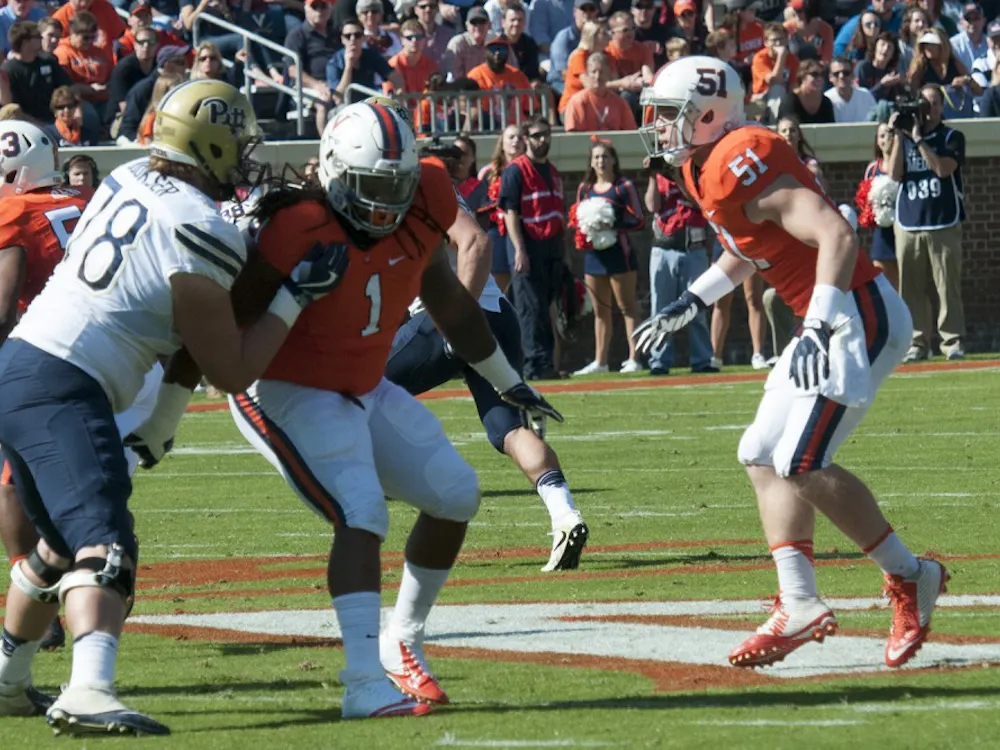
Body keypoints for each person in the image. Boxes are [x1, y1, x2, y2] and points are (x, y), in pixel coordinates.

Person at [196, 99, 561, 716]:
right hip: (285, 387)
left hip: (362, 382)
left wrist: (506, 381)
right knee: (362, 510)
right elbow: (229, 329)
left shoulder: (427, 192)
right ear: (335, 171)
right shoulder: (294, 227)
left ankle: (402, 640)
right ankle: (363, 683)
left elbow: (448, 302)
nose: (386, 203)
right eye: (371, 186)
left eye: (397, 184)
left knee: (455, 494)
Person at [0, 79, 339, 735]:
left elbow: (176, 308)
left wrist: (164, 415)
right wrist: (292, 297)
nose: (243, 158)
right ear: (207, 144)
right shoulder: (201, 228)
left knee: (59, 545)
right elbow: (231, 365)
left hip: (22, 365)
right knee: (105, 543)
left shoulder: (129, 178)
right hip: (64, 381)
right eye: (235, 145)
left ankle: (9, 678)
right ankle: (89, 687)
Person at [636, 55, 948, 672]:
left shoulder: (737, 156)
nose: (659, 127)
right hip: (827, 316)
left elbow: (835, 234)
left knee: (800, 462)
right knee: (760, 454)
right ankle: (800, 603)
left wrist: (816, 324)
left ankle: (911, 576)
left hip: (852, 314)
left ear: (707, 116)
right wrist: (690, 302)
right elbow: (753, 249)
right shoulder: (703, 166)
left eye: (669, 116)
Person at [385, 137, 587, 572]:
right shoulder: (418, 182)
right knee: (506, 428)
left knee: (351, 392)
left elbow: (474, 242)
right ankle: (565, 514)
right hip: (496, 315)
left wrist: (454, 321)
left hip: (453, 316)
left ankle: (397, 493)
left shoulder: (413, 182)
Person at [887, 83, 967, 361]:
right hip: (909, 221)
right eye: (924, 103)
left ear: (941, 107)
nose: (928, 109)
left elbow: (943, 170)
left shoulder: (951, 136)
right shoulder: (906, 138)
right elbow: (894, 174)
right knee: (910, 288)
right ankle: (917, 342)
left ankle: (952, 341)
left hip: (943, 221)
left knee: (947, 287)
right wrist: (899, 136)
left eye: (934, 104)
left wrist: (920, 140)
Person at [571, 137, 644, 376]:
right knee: (600, 310)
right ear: (591, 163)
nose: (601, 161)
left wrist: (612, 222)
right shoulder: (584, 188)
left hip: (619, 254)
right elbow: (577, 219)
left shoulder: (624, 186)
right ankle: (600, 361)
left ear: (613, 160)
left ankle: (634, 358)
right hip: (594, 257)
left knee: (627, 307)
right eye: (597, 158)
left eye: (605, 157)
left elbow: (638, 220)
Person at [500, 115, 565, 381]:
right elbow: (510, 212)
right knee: (530, 308)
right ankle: (533, 366)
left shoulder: (552, 171)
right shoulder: (516, 170)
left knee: (546, 306)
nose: (543, 140)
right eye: (537, 135)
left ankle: (545, 362)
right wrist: (519, 249)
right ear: (527, 139)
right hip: (528, 245)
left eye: (546, 134)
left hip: (551, 247)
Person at [644, 160, 715, 375]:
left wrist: (677, 176)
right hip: (664, 249)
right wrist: (652, 175)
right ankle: (659, 360)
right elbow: (652, 206)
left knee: (698, 307)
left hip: (693, 248)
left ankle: (702, 359)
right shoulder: (658, 178)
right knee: (661, 309)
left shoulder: (693, 172)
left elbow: (698, 202)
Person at [479, 124, 525, 293]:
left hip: (522, 231)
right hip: (496, 232)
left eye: (520, 137)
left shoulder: (529, 170)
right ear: (502, 142)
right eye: (511, 137)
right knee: (499, 286)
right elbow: (481, 206)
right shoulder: (488, 172)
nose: (516, 141)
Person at [283, 0, 338, 133]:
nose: (319, 10)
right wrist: (317, 85)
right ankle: (326, 145)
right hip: (307, 86)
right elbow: (292, 69)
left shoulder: (337, 33)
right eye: (315, 6)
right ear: (306, 9)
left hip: (336, 83)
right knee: (323, 101)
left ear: (330, 9)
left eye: (323, 6)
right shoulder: (296, 35)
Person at [857, 122, 899, 288]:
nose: (885, 140)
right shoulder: (872, 169)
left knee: (908, 286)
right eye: (882, 136)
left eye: (889, 135)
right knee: (883, 284)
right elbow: (865, 200)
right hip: (881, 234)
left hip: (902, 230)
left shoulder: (903, 165)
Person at [329, 18, 404, 105]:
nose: (353, 39)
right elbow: (338, 98)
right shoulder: (334, 61)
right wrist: (348, 66)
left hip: (369, 106)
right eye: (348, 36)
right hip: (344, 109)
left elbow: (398, 80)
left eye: (357, 35)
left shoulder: (371, 55)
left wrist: (395, 99)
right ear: (342, 39)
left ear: (363, 38)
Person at [563, 52, 637, 131]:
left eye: (601, 72)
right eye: (593, 72)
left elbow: (630, 133)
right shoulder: (578, 102)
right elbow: (573, 138)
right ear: (587, 74)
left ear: (609, 74)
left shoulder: (620, 103)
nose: (597, 76)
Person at [559, 20, 610, 114]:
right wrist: (622, 83)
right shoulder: (579, 56)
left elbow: (613, 78)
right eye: (604, 33)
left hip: (598, 104)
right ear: (592, 36)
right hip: (572, 107)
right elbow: (590, 85)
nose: (609, 35)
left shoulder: (607, 56)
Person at [777, 59, 836, 123]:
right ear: (802, 77)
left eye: (822, 74)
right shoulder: (790, 101)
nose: (820, 78)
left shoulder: (826, 102)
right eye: (814, 74)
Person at [854, 31, 904, 102]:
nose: (885, 49)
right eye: (882, 44)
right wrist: (882, 84)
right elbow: (860, 99)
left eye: (889, 47)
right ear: (875, 48)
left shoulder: (891, 74)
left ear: (893, 55)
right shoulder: (863, 67)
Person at [825, 55, 877, 121]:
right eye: (836, 74)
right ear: (830, 77)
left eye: (846, 73)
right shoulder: (826, 100)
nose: (841, 76)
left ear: (852, 75)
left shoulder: (866, 95)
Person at [949, 2, 988, 74]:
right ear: (961, 23)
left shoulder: (991, 42)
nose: (972, 22)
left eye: (976, 18)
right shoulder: (953, 44)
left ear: (984, 21)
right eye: (968, 19)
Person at [897, 5, 931, 74]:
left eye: (924, 21)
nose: (921, 24)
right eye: (917, 21)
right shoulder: (900, 46)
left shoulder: (932, 46)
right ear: (908, 23)